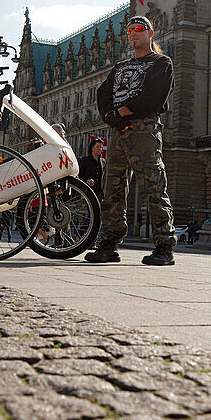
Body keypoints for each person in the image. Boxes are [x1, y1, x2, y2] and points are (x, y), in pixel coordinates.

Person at [85, 15, 175, 266]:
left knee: (153, 185)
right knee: (112, 187)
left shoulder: (161, 62)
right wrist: (109, 116)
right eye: (130, 31)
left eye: (139, 29)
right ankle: (109, 244)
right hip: (117, 131)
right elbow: (103, 93)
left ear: (150, 33)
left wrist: (123, 112)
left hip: (143, 130)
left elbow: (155, 96)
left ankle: (164, 246)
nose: (133, 34)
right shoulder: (120, 67)